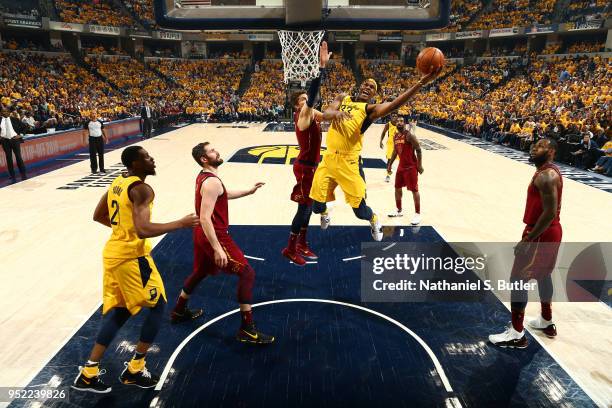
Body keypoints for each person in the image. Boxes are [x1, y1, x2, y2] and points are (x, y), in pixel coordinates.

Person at [72, 146, 199, 393]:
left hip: (114, 253)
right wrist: (180, 223)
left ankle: (88, 372)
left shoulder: (120, 181)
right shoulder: (142, 189)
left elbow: (99, 215)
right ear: (134, 163)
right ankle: (135, 368)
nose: (152, 159)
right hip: (131, 257)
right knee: (159, 304)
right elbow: (143, 230)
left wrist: (123, 229)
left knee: (122, 311)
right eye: (146, 157)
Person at [309, 65, 441, 241]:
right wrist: (336, 113)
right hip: (328, 160)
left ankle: (374, 220)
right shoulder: (343, 97)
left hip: (349, 164)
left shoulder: (370, 110)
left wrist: (420, 83)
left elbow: (395, 104)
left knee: (360, 211)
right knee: (316, 207)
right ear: (360, 86)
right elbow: (326, 114)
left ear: (374, 95)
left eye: (372, 88)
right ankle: (325, 213)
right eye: (366, 84)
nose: (367, 88)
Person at [171, 142, 274, 344]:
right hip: (214, 235)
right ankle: (247, 329)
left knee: (200, 271)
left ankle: (178, 311)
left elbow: (222, 195)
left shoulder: (206, 178)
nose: (217, 152)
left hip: (201, 234)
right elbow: (205, 217)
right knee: (247, 273)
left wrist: (248, 191)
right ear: (204, 159)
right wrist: (218, 248)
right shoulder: (212, 182)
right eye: (212, 151)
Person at [489, 139, 562, 349]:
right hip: (549, 232)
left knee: (518, 280)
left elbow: (548, 213)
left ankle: (516, 333)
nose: (533, 148)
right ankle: (546, 321)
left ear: (551, 152)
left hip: (540, 233)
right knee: (543, 275)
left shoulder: (546, 176)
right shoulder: (549, 172)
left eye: (539, 146)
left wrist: (528, 239)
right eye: (533, 145)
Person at [281, 41, 333, 266]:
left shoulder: (312, 114)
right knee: (303, 209)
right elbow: (312, 99)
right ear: (297, 106)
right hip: (305, 167)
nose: (306, 102)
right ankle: (290, 248)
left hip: (312, 166)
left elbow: (330, 115)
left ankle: (302, 243)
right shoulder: (302, 116)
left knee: (309, 208)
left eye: (306, 100)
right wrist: (320, 69)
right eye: (302, 100)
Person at [386, 116, 423, 225]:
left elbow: (419, 150)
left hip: (411, 167)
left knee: (414, 190)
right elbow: (395, 151)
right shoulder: (396, 136)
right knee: (397, 188)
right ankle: (398, 210)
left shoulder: (409, 135)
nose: (399, 122)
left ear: (405, 124)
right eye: (397, 121)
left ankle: (417, 214)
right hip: (401, 167)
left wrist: (419, 165)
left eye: (401, 121)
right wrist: (389, 164)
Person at [1, 107, 27, 183]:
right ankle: (12, 175)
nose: (4, 112)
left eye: (6, 111)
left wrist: (21, 135)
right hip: (5, 141)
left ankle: (23, 173)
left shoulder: (14, 119)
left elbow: (25, 127)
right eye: (3, 111)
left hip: (15, 139)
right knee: (8, 158)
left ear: (9, 112)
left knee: (18, 157)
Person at [379, 112, 398, 183]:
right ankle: (388, 175)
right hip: (390, 144)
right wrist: (381, 141)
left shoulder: (400, 124)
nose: (394, 117)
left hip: (399, 144)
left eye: (395, 116)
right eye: (393, 116)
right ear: (391, 117)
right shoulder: (388, 124)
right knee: (389, 160)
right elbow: (383, 133)